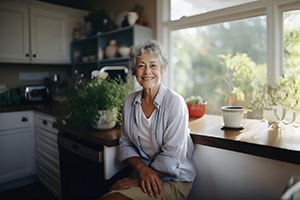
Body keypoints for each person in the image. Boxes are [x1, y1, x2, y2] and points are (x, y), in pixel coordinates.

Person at [100, 39, 196, 200]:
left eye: (153, 65)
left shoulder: (175, 102)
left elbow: (171, 157)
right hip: (142, 174)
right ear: (135, 71)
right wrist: (142, 171)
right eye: (141, 66)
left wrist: (137, 180)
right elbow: (126, 143)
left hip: (173, 178)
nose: (147, 72)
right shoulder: (130, 101)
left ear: (163, 70)